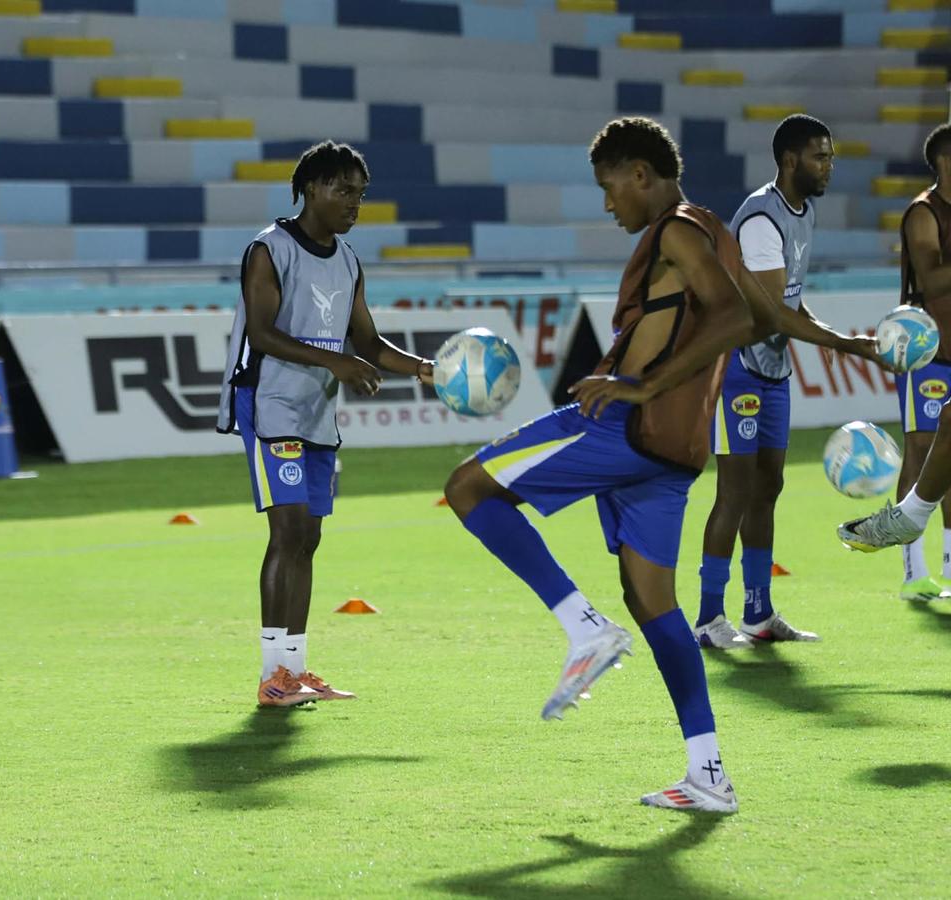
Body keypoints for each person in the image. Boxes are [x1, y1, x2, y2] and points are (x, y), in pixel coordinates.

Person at [444, 117, 882, 814]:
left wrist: (642, 383)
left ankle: (581, 628)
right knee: (653, 604)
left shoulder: (677, 229)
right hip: (673, 451)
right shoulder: (713, 228)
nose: (608, 203)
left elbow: (739, 318)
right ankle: (707, 772)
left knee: (467, 487)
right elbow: (760, 315)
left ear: (640, 173)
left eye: (609, 187)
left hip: (622, 425)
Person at [217, 141, 434, 708]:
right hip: (269, 405)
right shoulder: (269, 248)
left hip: (316, 411)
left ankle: (294, 670)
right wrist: (336, 361)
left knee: (309, 537)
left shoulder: (348, 259)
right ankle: (272, 677)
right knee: (288, 531)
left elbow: (366, 341)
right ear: (311, 187)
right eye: (344, 191)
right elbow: (261, 334)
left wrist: (422, 370)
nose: (353, 204)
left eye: (360, 195)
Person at [696, 115, 859, 647]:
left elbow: (788, 295)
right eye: (820, 156)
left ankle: (758, 613)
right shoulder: (762, 220)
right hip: (740, 365)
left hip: (774, 369)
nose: (828, 165)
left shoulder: (803, 211)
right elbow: (766, 315)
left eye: (830, 155)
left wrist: (821, 333)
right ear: (790, 161)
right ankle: (708, 618)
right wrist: (846, 344)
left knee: (769, 486)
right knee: (736, 489)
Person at [840, 124, 951, 559]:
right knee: (927, 443)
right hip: (927, 348)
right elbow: (932, 279)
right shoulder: (924, 212)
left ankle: (927, 537)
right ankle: (914, 565)